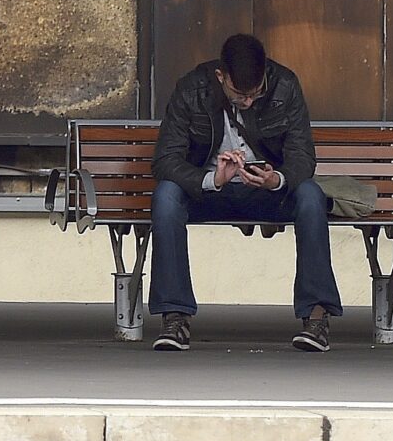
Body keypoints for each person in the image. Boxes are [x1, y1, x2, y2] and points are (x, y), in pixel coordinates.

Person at [147, 32, 342, 353]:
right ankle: (175, 316)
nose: (248, 102)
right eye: (239, 94)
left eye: (255, 93)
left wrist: (276, 179)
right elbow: (165, 160)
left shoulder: (284, 85)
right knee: (166, 196)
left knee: (310, 196)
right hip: (208, 191)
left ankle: (317, 317)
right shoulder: (191, 89)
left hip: (266, 192)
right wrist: (212, 178)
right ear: (220, 77)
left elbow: (303, 155)